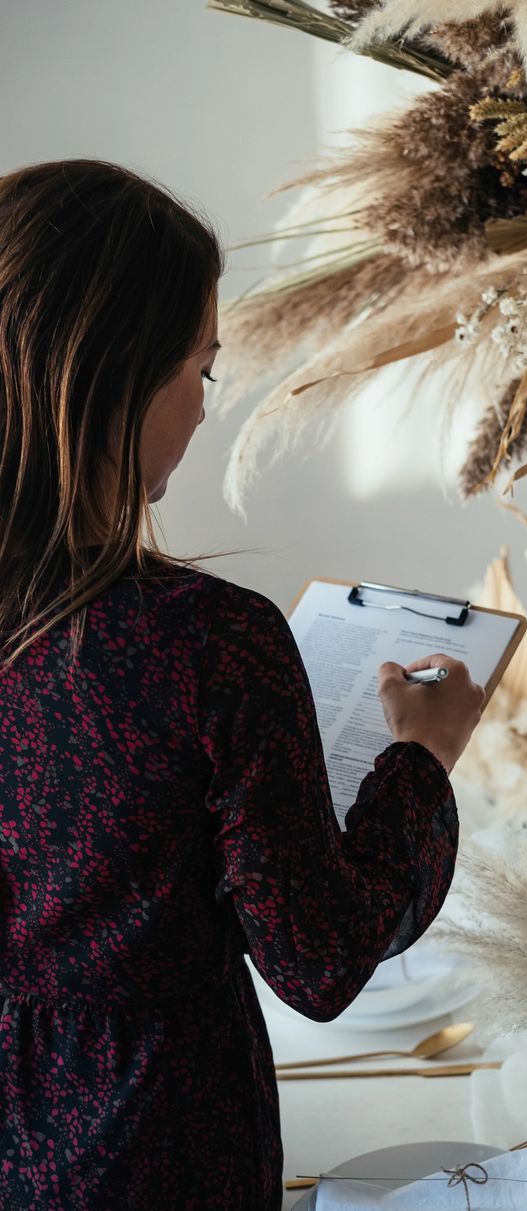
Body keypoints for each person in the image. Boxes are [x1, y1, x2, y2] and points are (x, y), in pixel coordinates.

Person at [0, 159, 485, 1211]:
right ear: (117, 376)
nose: (206, 408)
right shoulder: (206, 643)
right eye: (203, 370)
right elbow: (320, 959)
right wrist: (421, 756)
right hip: (156, 1150)